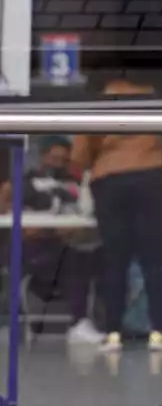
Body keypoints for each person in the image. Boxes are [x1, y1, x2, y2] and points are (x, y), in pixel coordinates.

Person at [71, 78, 162, 353]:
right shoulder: (154, 97)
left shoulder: (100, 101)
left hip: (110, 179)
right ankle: (159, 332)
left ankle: (113, 333)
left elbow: (80, 153)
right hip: (150, 175)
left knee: (115, 260)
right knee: (153, 259)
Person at [0, 137, 103, 345]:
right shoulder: (23, 180)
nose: (58, 163)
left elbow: (82, 220)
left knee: (79, 256)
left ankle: (80, 324)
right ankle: (9, 322)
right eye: (54, 158)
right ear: (43, 157)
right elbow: (5, 207)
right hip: (28, 247)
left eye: (64, 160)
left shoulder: (75, 186)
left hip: (63, 245)